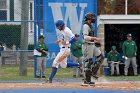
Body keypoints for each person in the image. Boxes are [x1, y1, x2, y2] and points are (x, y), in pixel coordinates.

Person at [82, 13, 104, 85]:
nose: (93, 19)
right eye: (92, 17)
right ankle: (87, 81)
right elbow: (85, 37)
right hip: (87, 45)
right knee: (89, 62)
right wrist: (95, 38)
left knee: (101, 57)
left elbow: (90, 37)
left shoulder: (90, 26)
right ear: (89, 18)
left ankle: (93, 72)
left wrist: (95, 41)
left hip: (92, 44)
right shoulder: (85, 26)